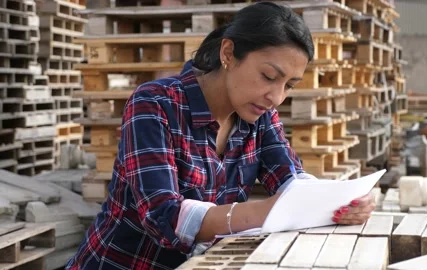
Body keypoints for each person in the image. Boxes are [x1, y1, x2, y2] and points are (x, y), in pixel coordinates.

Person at [66, 2, 376, 269]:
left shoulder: (258, 115)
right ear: (228, 52)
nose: (276, 96)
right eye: (269, 76)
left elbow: (291, 178)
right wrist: (273, 210)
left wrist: (342, 203)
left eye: (289, 85)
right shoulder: (155, 104)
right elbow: (164, 217)